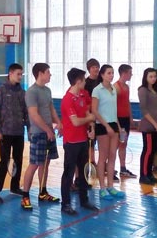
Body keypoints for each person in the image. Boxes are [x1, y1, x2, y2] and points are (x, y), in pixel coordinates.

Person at [21, 63, 62, 211]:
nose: (50, 75)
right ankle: (25, 196)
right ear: (40, 73)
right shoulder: (31, 92)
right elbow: (34, 114)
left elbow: (51, 109)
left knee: (45, 163)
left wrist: (59, 123)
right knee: (34, 164)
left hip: (48, 131)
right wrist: (47, 130)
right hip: (38, 133)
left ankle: (43, 192)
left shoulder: (47, 90)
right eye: (48, 72)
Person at [0, 63, 29, 204]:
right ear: (10, 74)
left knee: (18, 160)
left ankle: (14, 187)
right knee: (4, 162)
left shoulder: (22, 92)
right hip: (5, 133)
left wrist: (28, 128)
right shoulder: (0, 90)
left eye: (21, 74)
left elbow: (26, 112)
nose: (20, 77)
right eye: (18, 74)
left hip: (19, 132)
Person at [60, 68, 99, 215]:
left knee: (83, 172)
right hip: (71, 142)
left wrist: (92, 127)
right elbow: (75, 122)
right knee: (68, 173)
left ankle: (84, 200)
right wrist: (89, 118)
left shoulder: (83, 94)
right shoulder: (67, 100)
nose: (85, 82)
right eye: (83, 79)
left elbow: (88, 113)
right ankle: (66, 204)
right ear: (78, 81)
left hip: (83, 140)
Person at [92, 64, 125, 200]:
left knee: (112, 156)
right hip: (102, 126)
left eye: (112, 73)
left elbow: (114, 110)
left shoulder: (113, 90)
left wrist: (118, 126)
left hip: (113, 125)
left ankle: (111, 186)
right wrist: (106, 126)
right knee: (103, 157)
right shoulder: (97, 90)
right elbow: (94, 111)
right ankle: (102, 188)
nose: (111, 75)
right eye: (108, 73)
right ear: (102, 75)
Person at [137, 68, 157, 185]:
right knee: (148, 151)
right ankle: (143, 175)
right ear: (146, 77)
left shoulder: (155, 90)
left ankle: (149, 174)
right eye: (150, 76)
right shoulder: (142, 90)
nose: (153, 78)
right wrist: (154, 123)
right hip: (148, 126)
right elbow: (144, 110)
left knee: (153, 151)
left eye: (154, 76)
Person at [114, 64, 136, 179]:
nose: (131, 75)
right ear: (124, 73)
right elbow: (112, 106)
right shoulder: (116, 87)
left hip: (126, 119)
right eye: (130, 73)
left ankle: (123, 169)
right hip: (119, 120)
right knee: (115, 145)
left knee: (123, 143)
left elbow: (127, 103)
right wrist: (117, 123)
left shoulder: (126, 87)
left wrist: (131, 118)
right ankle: (110, 168)